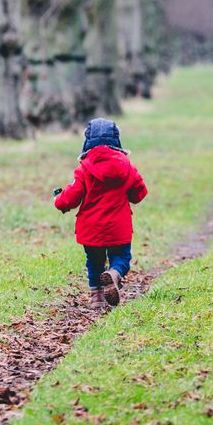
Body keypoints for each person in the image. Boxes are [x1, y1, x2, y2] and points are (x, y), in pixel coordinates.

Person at [55, 118, 148, 309]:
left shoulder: (84, 169)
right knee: (121, 258)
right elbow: (139, 194)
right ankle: (114, 274)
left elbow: (71, 197)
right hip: (118, 227)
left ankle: (96, 297)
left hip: (91, 227)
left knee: (94, 261)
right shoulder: (127, 166)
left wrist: (59, 200)